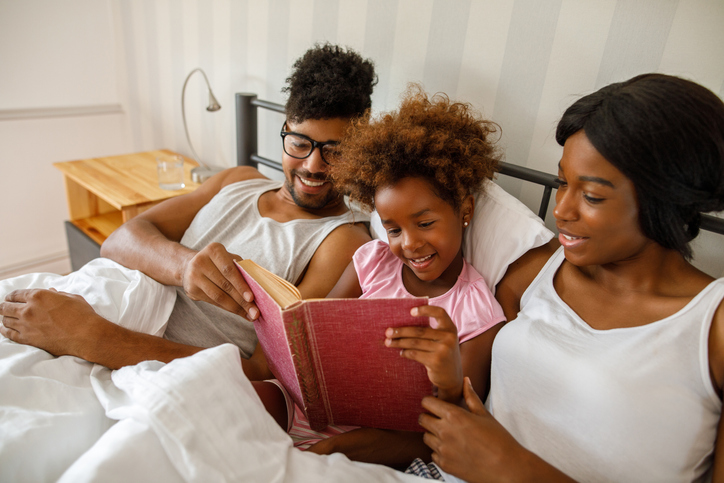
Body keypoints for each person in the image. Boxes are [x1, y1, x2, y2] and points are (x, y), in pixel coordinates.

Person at [0, 43, 376, 378]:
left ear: (359, 150)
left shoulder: (342, 242)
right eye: (299, 143)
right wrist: (184, 266)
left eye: (335, 151)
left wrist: (91, 337)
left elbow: (265, 373)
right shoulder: (237, 180)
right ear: (284, 131)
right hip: (104, 307)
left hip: (142, 362)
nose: (312, 165)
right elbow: (119, 241)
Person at [417, 73, 724, 482]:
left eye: (592, 196)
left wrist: (516, 471)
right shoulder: (533, 274)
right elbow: (480, 426)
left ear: (665, 201)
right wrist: (451, 389)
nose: (561, 209)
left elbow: (500, 458)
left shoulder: (711, 327)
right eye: (562, 182)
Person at [253, 87, 506, 468]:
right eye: (393, 229)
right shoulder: (372, 260)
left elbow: (457, 424)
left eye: (425, 223)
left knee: (314, 462)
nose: (410, 244)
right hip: (314, 408)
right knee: (223, 397)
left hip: (387, 438)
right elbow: (317, 325)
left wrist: (449, 376)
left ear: (465, 209)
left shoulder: (477, 311)